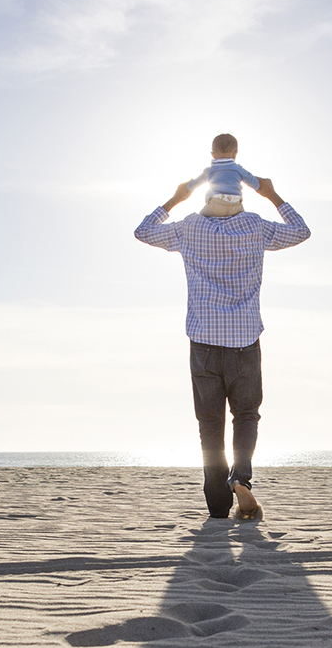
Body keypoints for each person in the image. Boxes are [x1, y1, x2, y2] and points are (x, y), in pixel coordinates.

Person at [133, 171, 310, 520]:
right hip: (244, 342)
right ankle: (240, 478)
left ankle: (217, 507)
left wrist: (174, 199)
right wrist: (273, 195)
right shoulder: (255, 227)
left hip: (203, 345)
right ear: (240, 201)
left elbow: (143, 231)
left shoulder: (189, 228)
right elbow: (301, 231)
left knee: (209, 424)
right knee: (245, 415)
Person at [187, 133, 262, 218]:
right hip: (235, 205)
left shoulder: (210, 171)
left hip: (215, 204)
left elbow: (195, 183)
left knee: (202, 218)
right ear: (235, 154)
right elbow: (255, 183)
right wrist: (258, 184)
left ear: (213, 154)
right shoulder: (238, 169)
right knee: (242, 218)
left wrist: (189, 186)